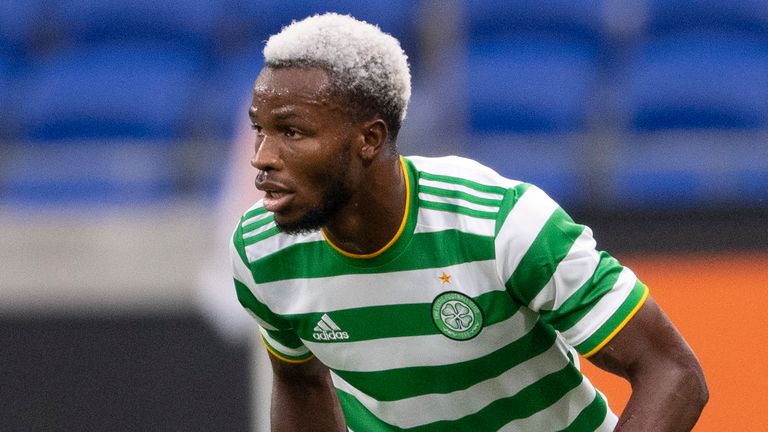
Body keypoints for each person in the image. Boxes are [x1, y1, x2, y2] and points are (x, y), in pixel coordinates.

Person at [230, 13, 708, 431]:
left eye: (291, 132)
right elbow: (300, 383)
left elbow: (672, 372)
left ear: (369, 139)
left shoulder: (503, 224)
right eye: (259, 128)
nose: (262, 157)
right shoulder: (259, 248)